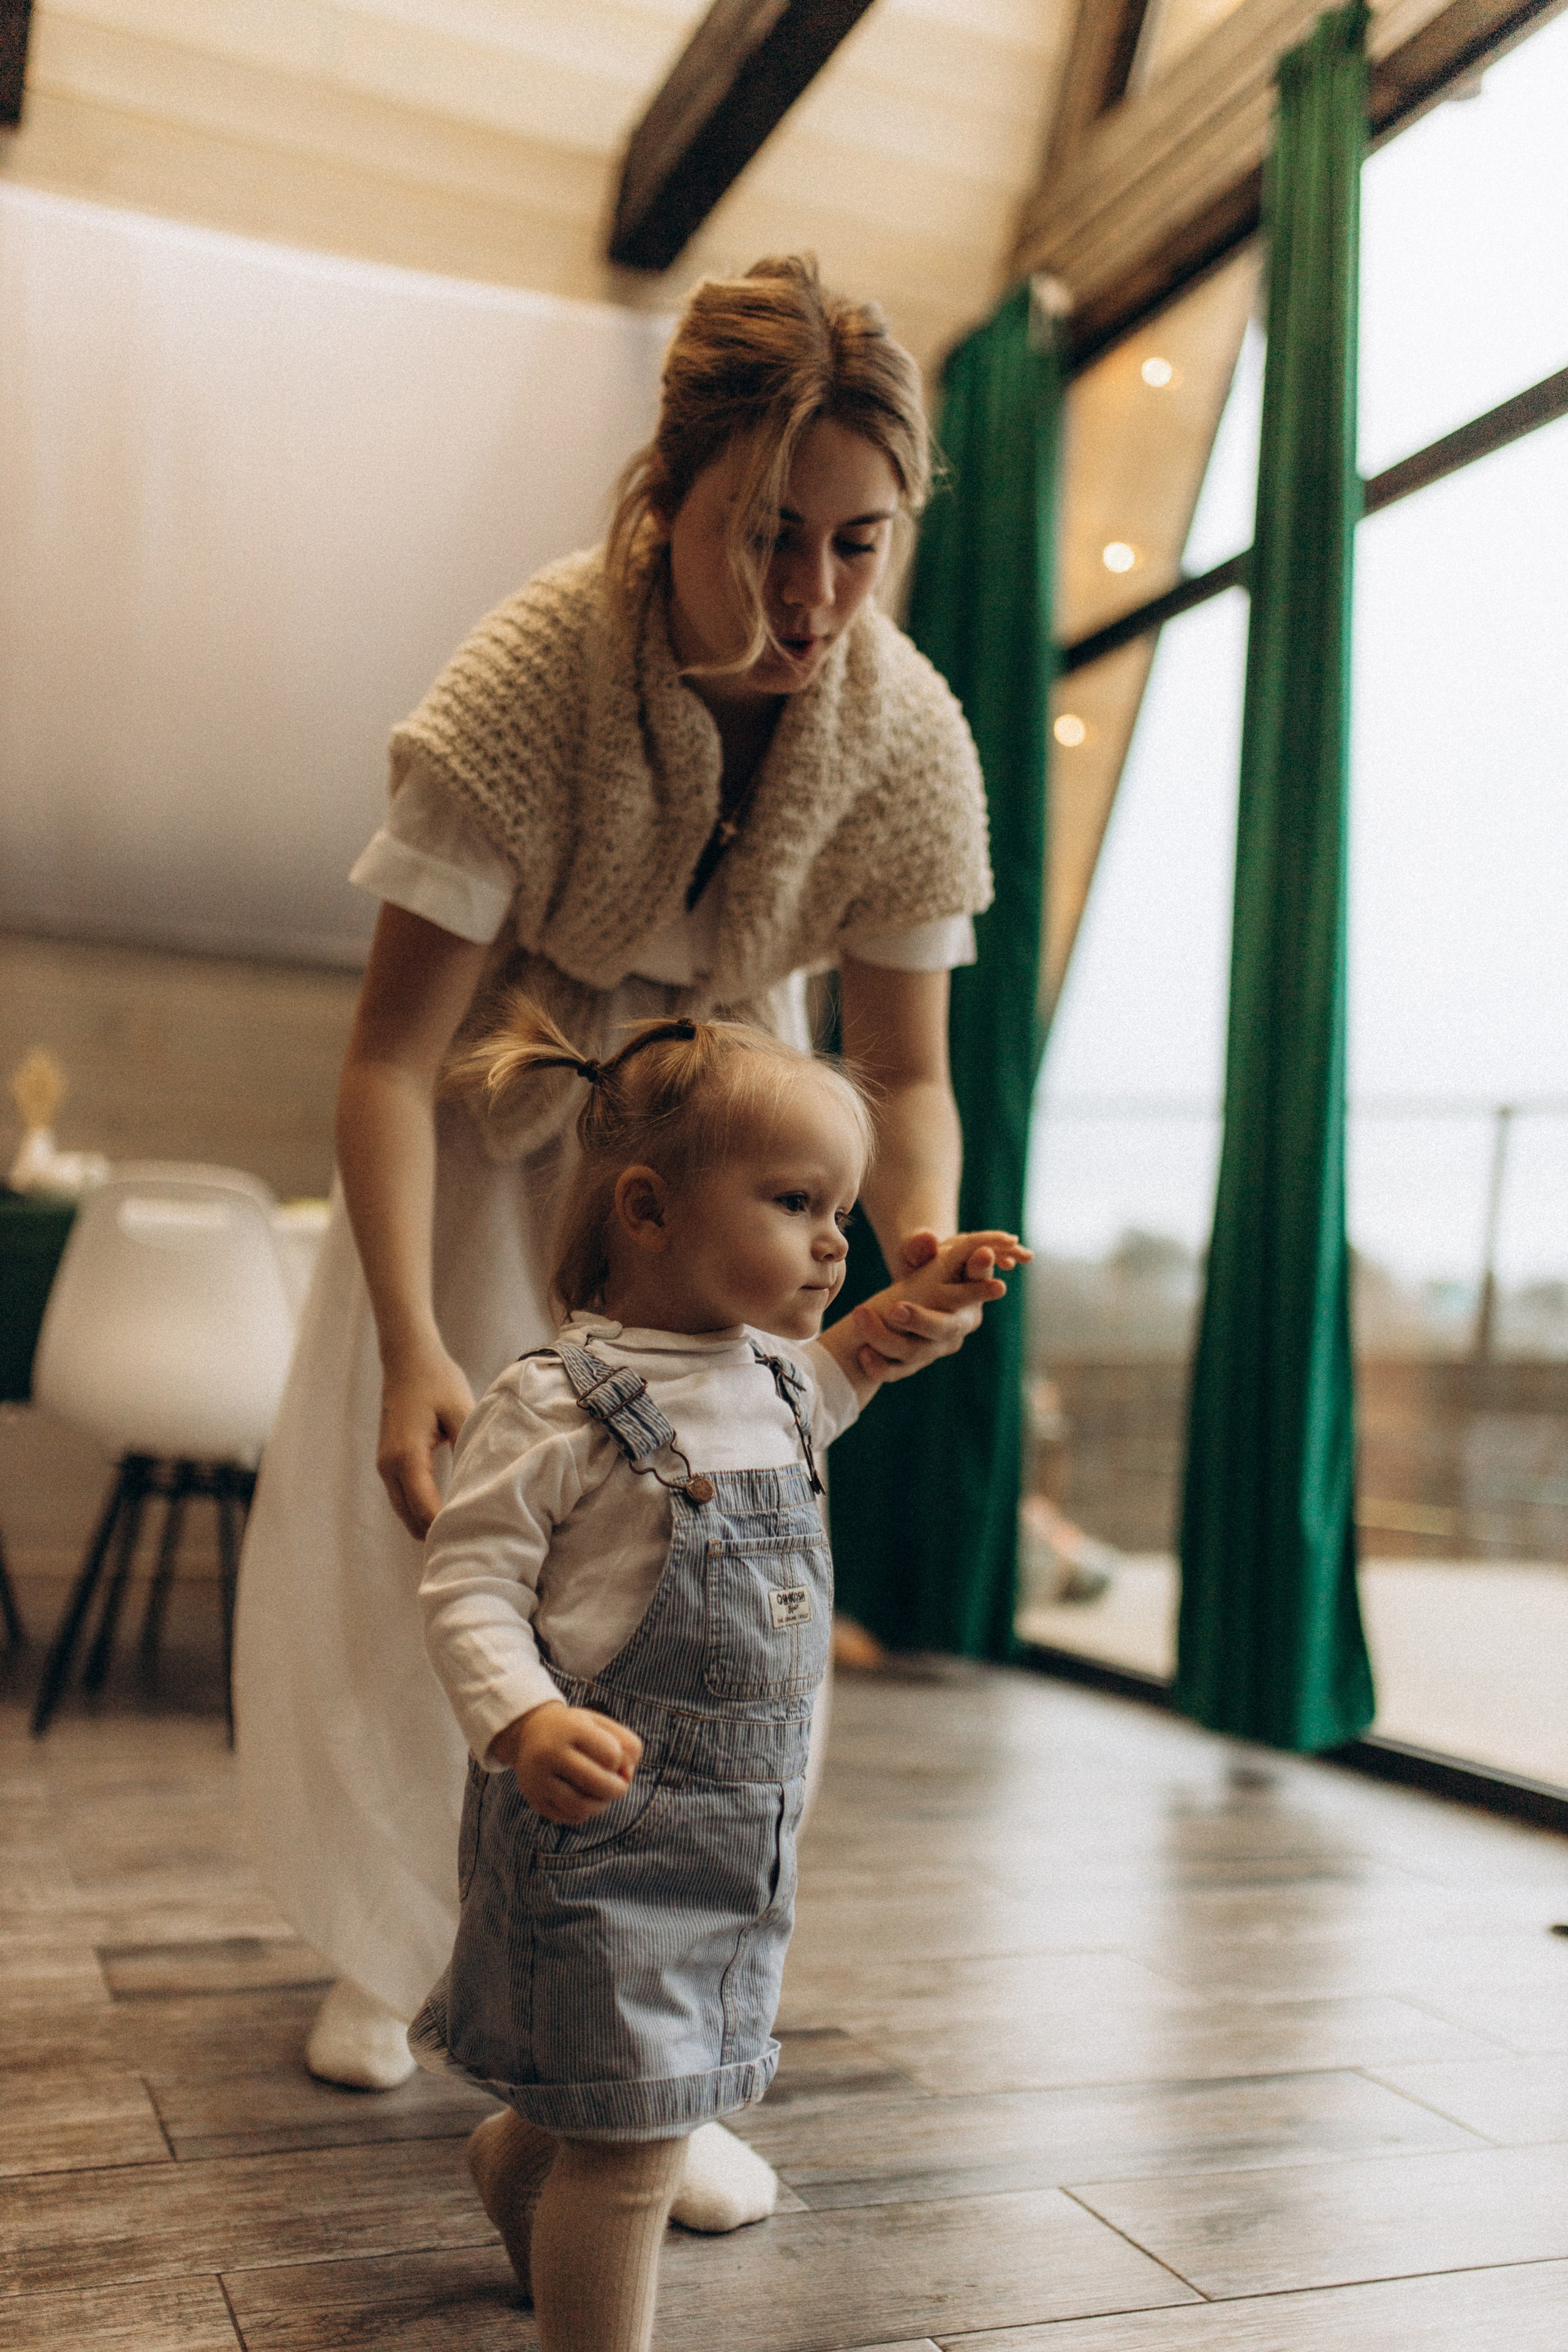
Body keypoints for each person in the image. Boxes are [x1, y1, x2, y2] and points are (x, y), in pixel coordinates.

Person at [233, 253, 994, 2230]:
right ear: (672, 496)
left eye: (858, 543)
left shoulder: (906, 735)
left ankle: (641, 2070)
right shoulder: (532, 679)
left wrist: (894, 1250)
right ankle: (399, 1948)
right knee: (482, 1565)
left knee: (680, 1609)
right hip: (511, 1139)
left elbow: (905, 1069)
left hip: (742, 1164)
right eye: (768, 537)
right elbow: (396, 1059)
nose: (813, 599)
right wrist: (411, 1337)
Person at [409, 1000, 1028, 2352]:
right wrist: (522, 1721)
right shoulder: (561, 1401)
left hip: (733, 1844)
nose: (832, 1241)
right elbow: (467, 1585)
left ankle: (511, 2171)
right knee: (633, 2148)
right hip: (594, 1829)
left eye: (843, 1211)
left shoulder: (777, 1380)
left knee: (632, 2100)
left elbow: (855, 1358)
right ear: (647, 1209)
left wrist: (922, 1300)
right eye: (796, 1201)